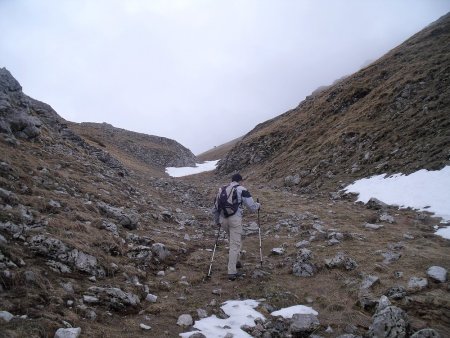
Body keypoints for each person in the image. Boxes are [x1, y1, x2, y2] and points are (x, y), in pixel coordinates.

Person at [213, 173, 260, 281]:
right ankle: (232, 272)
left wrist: (217, 222)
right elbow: (252, 207)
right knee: (235, 244)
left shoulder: (222, 190)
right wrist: (258, 205)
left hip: (223, 219)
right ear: (240, 180)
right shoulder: (241, 189)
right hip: (235, 219)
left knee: (234, 241)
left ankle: (236, 262)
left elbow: (215, 208)